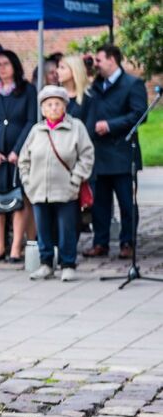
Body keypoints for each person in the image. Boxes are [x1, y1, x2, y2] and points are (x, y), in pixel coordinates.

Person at [19, 85, 94, 282]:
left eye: (57, 104)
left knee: (67, 229)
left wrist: (76, 179)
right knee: (42, 229)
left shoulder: (76, 127)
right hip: (39, 190)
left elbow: (87, 155)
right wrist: (28, 183)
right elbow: (23, 160)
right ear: (43, 109)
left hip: (66, 190)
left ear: (64, 107)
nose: (53, 108)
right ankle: (46, 264)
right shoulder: (36, 130)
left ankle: (68, 264)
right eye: (48, 105)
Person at [82, 44, 148, 260]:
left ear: (112, 60)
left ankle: (127, 241)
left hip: (121, 153)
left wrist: (110, 125)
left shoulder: (132, 84)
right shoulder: (95, 85)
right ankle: (100, 242)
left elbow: (140, 114)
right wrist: (87, 71)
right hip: (99, 154)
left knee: (126, 202)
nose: (97, 64)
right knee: (100, 203)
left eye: (99, 60)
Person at [0, 49, 37, 263]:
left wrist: (18, 150)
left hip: (17, 154)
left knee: (18, 199)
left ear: (14, 65)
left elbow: (31, 122)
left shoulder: (27, 90)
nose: (1, 68)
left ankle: (15, 248)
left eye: (5, 63)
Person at [55, 54, 92, 121]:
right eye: (58, 67)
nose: (57, 71)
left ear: (74, 70)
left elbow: (90, 126)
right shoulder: (55, 94)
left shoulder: (89, 96)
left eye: (62, 67)